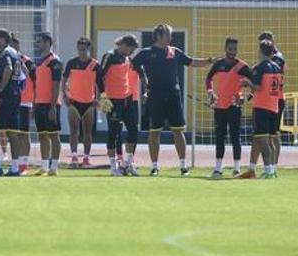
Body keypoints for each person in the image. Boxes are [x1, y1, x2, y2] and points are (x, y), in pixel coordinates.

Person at [132, 24, 215, 177]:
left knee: (178, 131)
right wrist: (143, 80)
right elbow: (133, 65)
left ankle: (183, 167)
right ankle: (154, 167)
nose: (170, 37)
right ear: (158, 36)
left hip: (173, 96)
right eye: (167, 34)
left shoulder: (174, 51)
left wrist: (209, 61)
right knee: (154, 132)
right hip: (155, 96)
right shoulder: (146, 53)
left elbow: (191, 62)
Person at [204, 37, 253, 178]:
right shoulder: (219, 64)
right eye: (230, 49)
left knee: (235, 137)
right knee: (220, 137)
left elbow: (256, 85)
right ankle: (218, 168)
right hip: (219, 106)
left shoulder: (243, 66)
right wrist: (210, 92)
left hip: (234, 107)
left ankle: (237, 168)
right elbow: (208, 79)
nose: (232, 52)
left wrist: (246, 98)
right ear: (225, 48)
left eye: (235, 49)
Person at [98, 34, 140, 176]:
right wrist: (103, 97)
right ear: (124, 45)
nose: (131, 53)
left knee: (133, 130)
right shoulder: (109, 56)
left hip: (127, 98)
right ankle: (113, 166)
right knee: (113, 133)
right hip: (113, 100)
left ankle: (128, 163)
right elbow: (99, 76)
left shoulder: (127, 58)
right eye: (131, 50)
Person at [240, 40, 283, 179]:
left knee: (264, 141)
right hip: (274, 107)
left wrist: (248, 83)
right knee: (269, 140)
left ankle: (268, 171)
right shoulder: (277, 67)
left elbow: (258, 87)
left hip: (262, 107)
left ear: (260, 51)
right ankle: (271, 169)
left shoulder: (261, 67)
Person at [0, 28, 24, 177]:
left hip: (6, 95)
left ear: (2, 39)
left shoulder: (5, 53)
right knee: (12, 133)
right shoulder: (14, 52)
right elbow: (21, 73)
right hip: (15, 94)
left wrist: (2, 87)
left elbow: (8, 68)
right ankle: (14, 168)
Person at [248, 31, 286, 173]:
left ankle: (271, 169)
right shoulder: (270, 65)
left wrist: (249, 81)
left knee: (270, 138)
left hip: (272, 101)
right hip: (270, 101)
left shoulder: (276, 59)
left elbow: (261, 83)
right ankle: (252, 168)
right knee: (260, 136)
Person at [62, 37, 99, 168]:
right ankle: (73, 157)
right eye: (79, 50)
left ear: (89, 49)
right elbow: (64, 79)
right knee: (73, 131)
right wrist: (64, 95)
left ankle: (86, 158)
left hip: (89, 102)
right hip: (73, 101)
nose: (81, 52)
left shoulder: (95, 64)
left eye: (84, 49)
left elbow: (99, 84)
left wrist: (98, 99)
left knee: (87, 132)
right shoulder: (71, 63)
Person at [32, 32, 62, 176]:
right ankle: (44, 166)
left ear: (47, 42)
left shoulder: (54, 61)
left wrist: (53, 107)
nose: (37, 44)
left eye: (39, 41)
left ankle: (54, 167)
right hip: (39, 103)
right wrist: (34, 104)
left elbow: (56, 85)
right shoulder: (39, 61)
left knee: (54, 135)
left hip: (51, 104)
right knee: (42, 135)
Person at [10, 34, 35, 174]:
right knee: (14, 134)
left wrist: (34, 103)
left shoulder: (27, 61)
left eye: (15, 45)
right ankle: (17, 162)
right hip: (12, 101)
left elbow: (33, 77)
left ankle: (24, 163)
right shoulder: (6, 60)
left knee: (24, 134)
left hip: (25, 102)